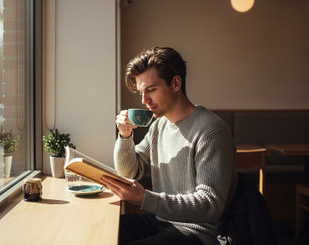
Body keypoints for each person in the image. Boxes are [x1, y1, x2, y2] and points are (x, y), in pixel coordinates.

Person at [100, 47, 238, 245]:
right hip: (163, 221)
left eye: (151, 90)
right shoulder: (159, 126)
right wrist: (125, 135)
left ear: (175, 83)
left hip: (199, 232)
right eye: (141, 92)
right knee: (102, 231)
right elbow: (129, 171)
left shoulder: (210, 130)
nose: (144, 100)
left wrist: (144, 198)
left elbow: (211, 204)